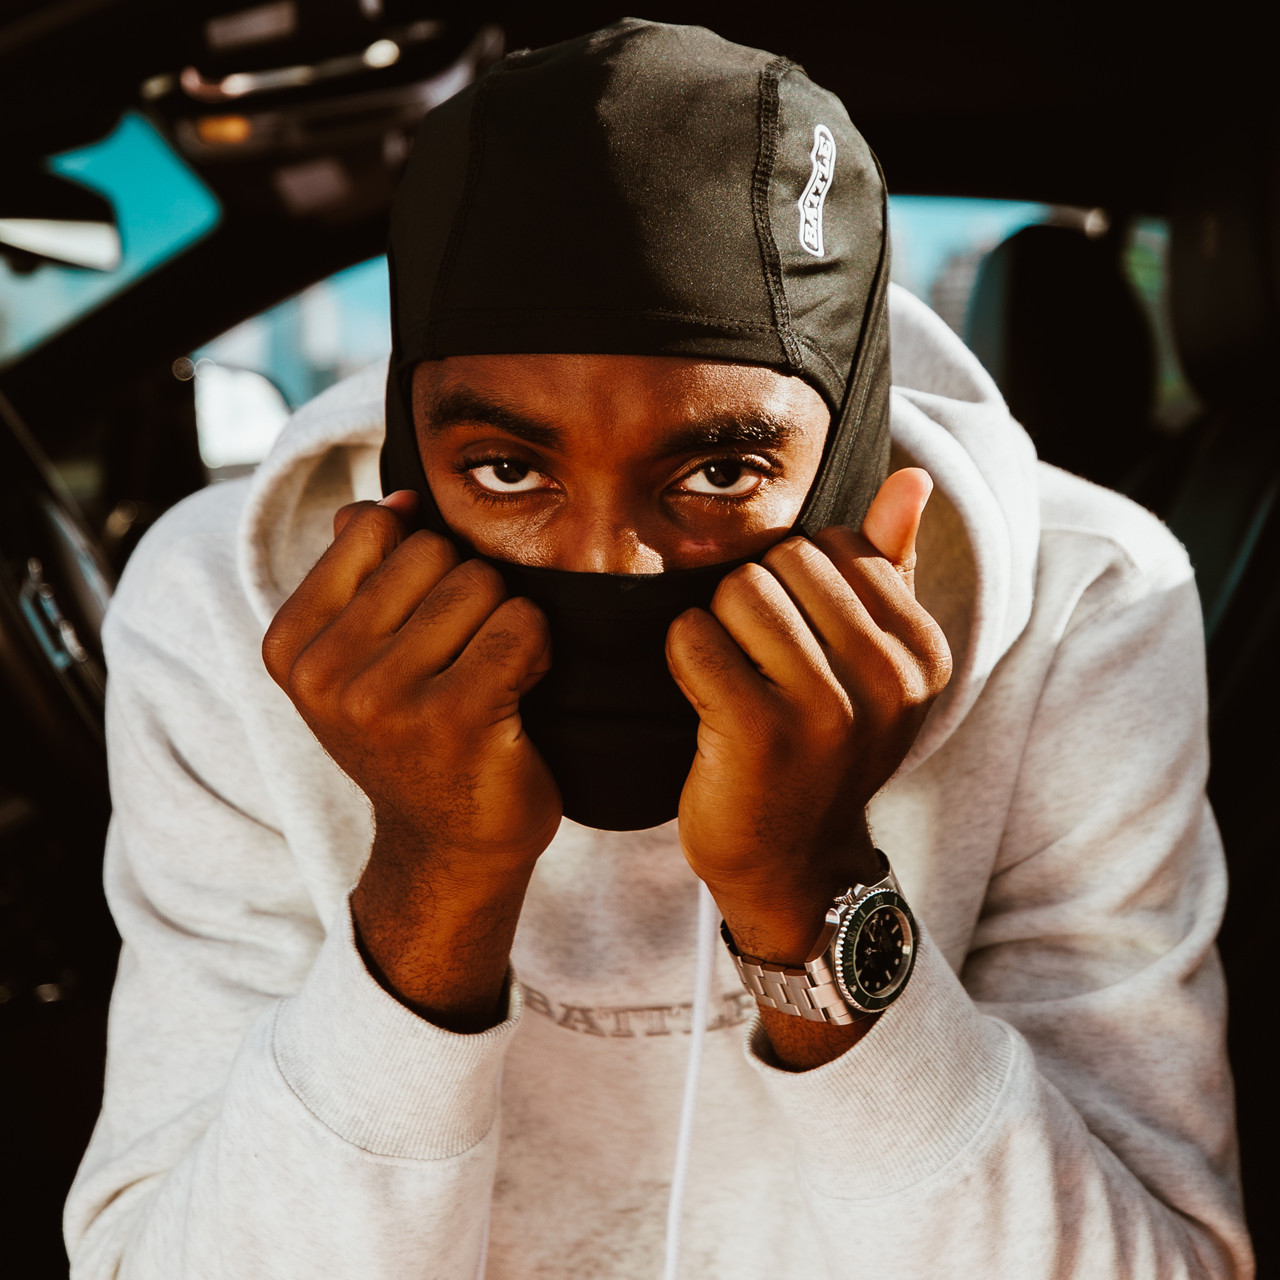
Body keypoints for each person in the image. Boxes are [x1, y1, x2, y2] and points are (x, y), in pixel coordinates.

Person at [65, 20, 1251, 1279]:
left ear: (855, 462)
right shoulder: (229, 605)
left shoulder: (1081, 599)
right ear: (406, 457)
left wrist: (807, 893)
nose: (609, 564)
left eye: (720, 468)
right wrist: (429, 877)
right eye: (506, 468)